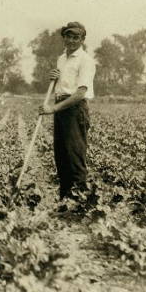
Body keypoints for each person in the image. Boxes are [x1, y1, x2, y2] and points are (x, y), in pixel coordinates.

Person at [39, 21, 96, 200]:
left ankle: (79, 205)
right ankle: (64, 202)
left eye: (76, 37)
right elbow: (63, 85)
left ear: (82, 39)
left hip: (74, 110)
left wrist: (53, 109)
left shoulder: (86, 61)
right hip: (61, 109)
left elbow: (80, 93)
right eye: (68, 36)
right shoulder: (61, 58)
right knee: (61, 158)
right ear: (63, 37)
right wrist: (54, 78)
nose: (71, 40)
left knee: (75, 159)